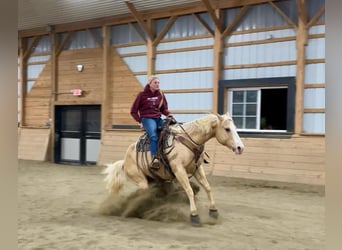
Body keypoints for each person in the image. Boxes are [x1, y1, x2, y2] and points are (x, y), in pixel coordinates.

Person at [130, 75, 173, 169]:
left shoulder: (161, 94)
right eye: (155, 82)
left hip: (158, 118)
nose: (157, 84)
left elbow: (163, 109)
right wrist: (139, 121)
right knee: (153, 136)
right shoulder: (141, 95)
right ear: (150, 84)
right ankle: (155, 158)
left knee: (170, 131)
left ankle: (167, 154)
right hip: (147, 118)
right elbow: (133, 111)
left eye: (158, 83)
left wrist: (169, 115)